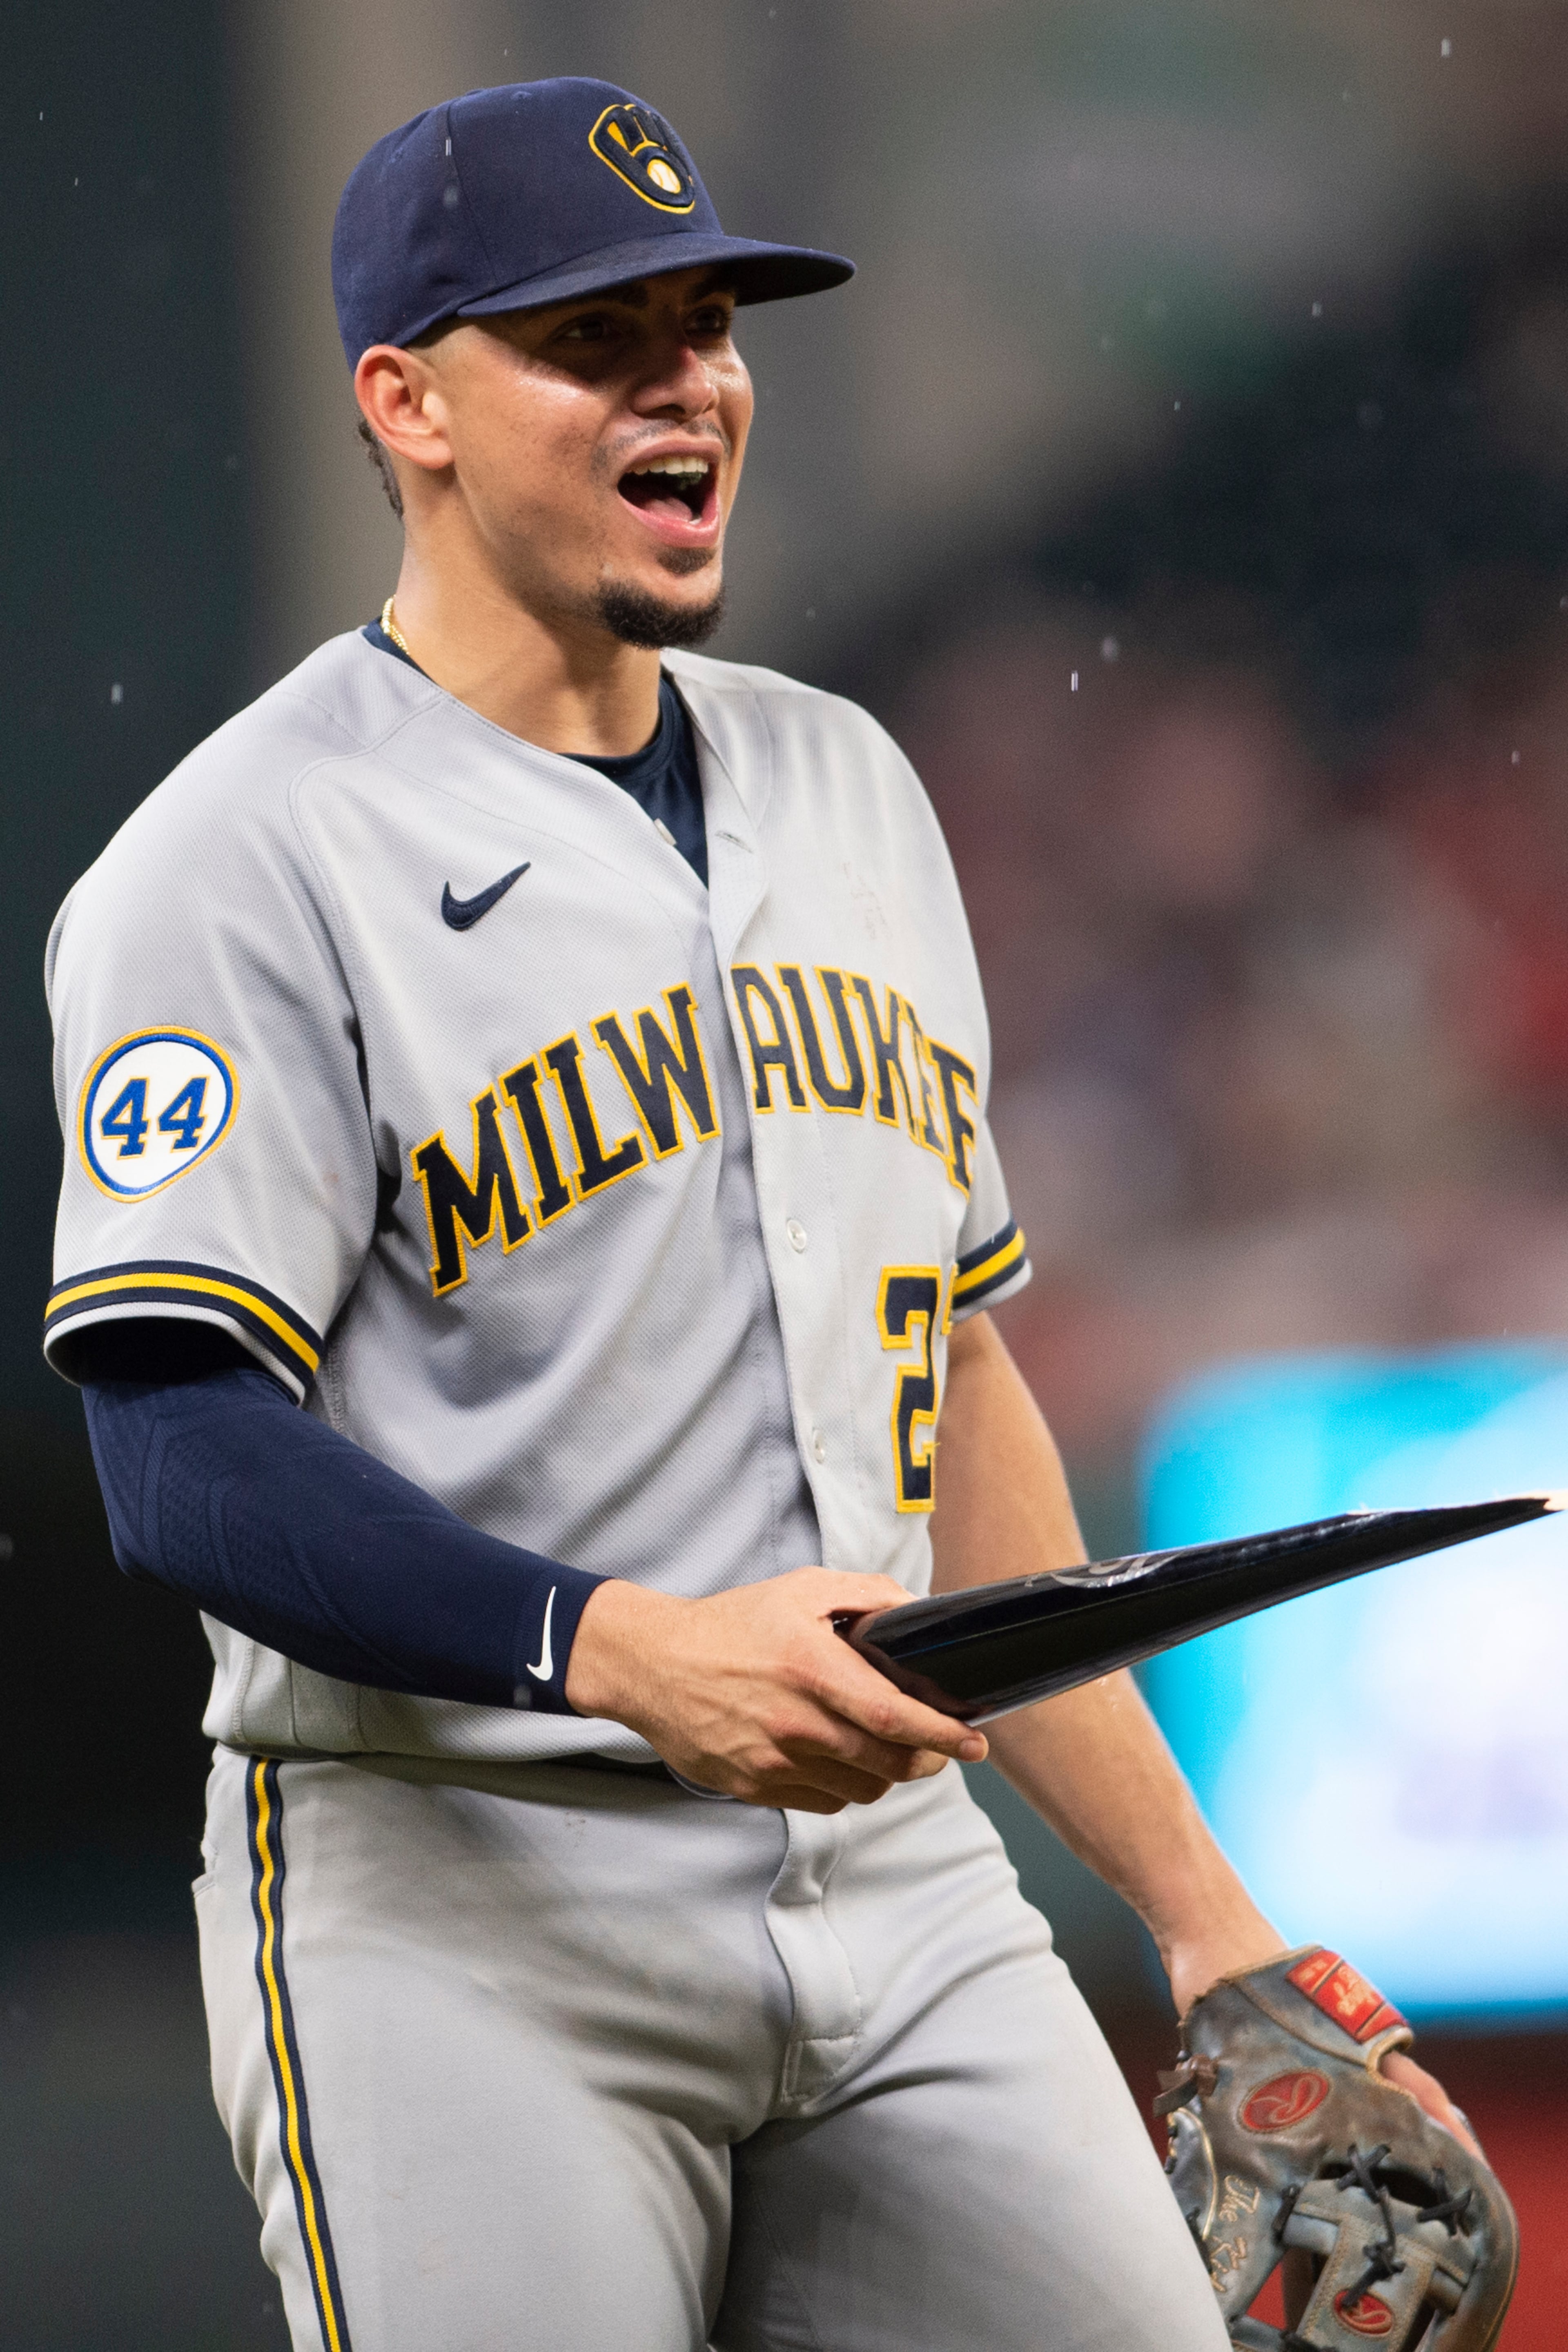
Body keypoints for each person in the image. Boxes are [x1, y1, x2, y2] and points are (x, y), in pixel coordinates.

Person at [45, 76, 1469, 2352]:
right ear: (402, 401)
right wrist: (625, 1651)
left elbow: (959, 1385)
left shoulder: (849, 784)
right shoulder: (242, 861)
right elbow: (172, 1441)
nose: (686, 378)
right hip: (467, 1899)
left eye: (706, 322)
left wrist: (1213, 1924)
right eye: (594, 337)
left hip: (901, 1888)